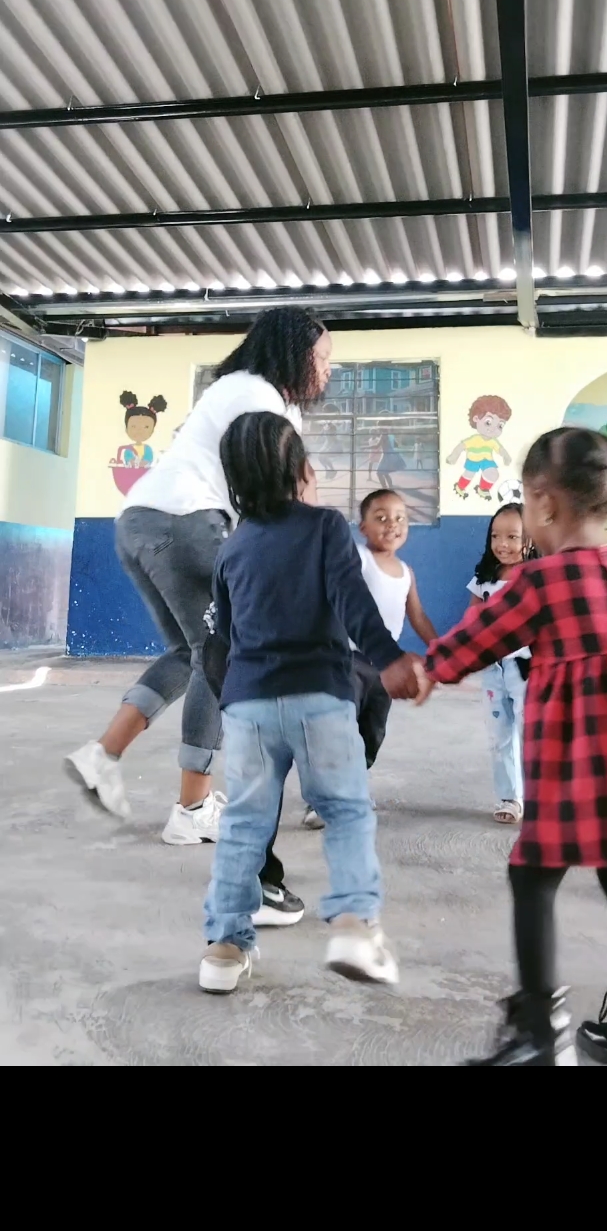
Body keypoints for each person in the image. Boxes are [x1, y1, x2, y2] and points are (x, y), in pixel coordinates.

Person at [413, 426, 607, 1067]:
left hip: (577, 763)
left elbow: (473, 642)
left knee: (532, 874)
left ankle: (535, 1033)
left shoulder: (539, 583)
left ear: (545, 505)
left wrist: (422, 670)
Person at [65, 308, 331, 921]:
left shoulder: (231, 387)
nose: (327, 369)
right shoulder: (265, 398)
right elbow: (294, 484)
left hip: (139, 522)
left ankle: (102, 755)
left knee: (192, 653)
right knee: (222, 656)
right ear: (293, 353)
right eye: (321, 358)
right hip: (186, 524)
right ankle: (191, 810)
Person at [199, 412, 420, 994]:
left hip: (247, 704)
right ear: (301, 472)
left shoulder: (232, 547)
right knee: (345, 809)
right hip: (318, 694)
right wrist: (389, 658)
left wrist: (232, 701)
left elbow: (219, 641)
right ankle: (352, 924)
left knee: (244, 825)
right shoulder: (324, 527)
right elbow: (352, 601)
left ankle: (224, 949)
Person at [300, 487, 437, 829]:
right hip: (347, 659)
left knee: (372, 732)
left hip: (384, 669)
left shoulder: (406, 572)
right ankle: (321, 800)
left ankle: (352, 788)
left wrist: (440, 648)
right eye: (381, 518)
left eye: (400, 518)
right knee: (338, 731)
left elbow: (418, 616)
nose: (392, 524)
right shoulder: (357, 558)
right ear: (362, 528)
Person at [467, 503, 531, 826]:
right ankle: (510, 797)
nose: (502, 544)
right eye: (496, 536)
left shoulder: (535, 579)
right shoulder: (484, 579)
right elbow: (471, 619)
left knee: (531, 734)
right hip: (493, 670)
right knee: (499, 736)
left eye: (512, 537)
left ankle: (540, 798)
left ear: (529, 540)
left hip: (527, 670)